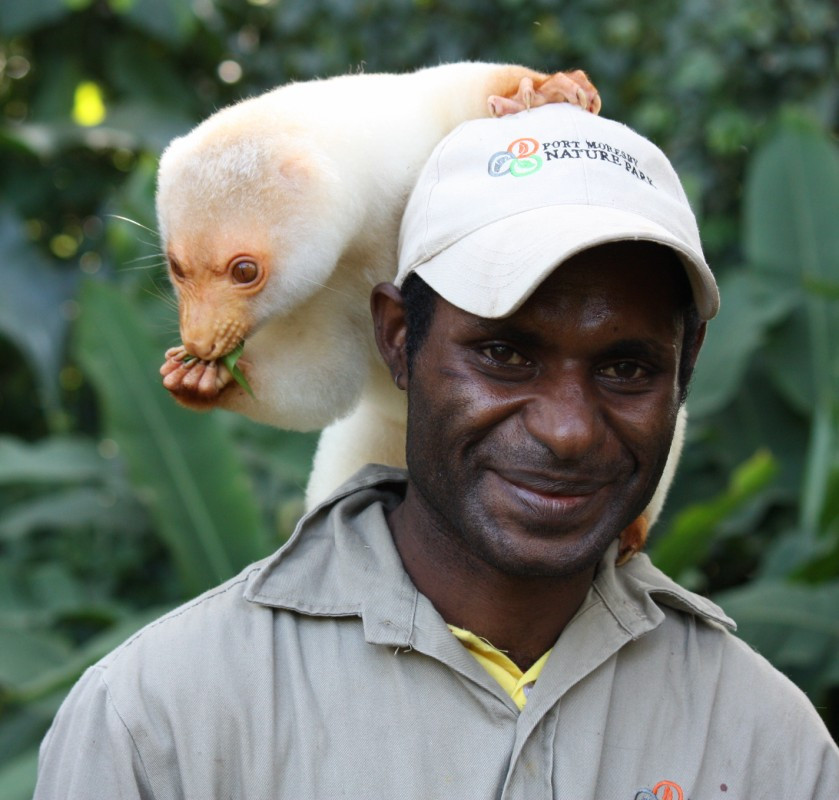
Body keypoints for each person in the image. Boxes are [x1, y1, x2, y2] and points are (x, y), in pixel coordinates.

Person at [34, 105, 839, 799]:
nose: (566, 429)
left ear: (686, 368)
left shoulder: (765, 746)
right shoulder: (162, 719)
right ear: (396, 338)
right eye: (503, 355)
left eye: (626, 369)